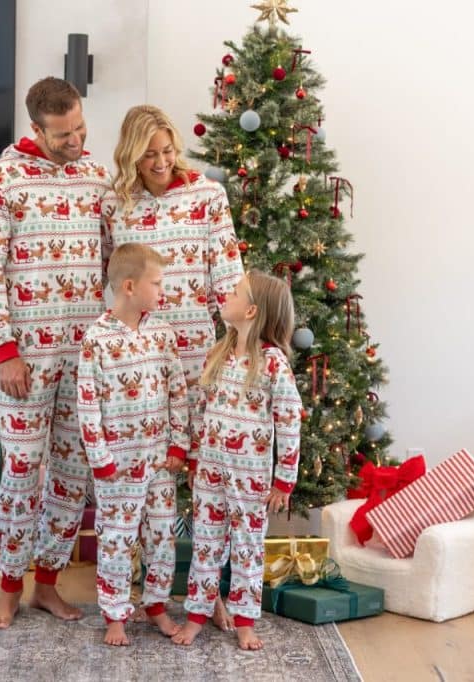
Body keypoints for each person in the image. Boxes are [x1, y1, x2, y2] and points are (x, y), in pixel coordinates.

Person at [101, 104, 244, 630]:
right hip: (138, 364)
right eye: (149, 154)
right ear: (131, 156)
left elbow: (230, 279)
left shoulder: (208, 197)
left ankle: (211, 595)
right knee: (148, 481)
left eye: (167, 150)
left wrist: (234, 351)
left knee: (207, 480)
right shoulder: (118, 206)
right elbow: (111, 286)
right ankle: (145, 597)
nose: (161, 162)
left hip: (199, 359)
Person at [0, 77, 108, 629]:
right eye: (62, 135)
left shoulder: (99, 176)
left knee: (73, 475)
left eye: (79, 128)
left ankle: (46, 585)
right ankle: (8, 586)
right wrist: (4, 352)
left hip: (87, 356)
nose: (75, 141)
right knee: (23, 471)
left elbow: (117, 256)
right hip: (25, 358)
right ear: (35, 129)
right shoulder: (1, 180)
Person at [171, 270, 303, 651]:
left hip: (251, 479)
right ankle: (197, 616)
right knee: (206, 545)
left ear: (251, 311)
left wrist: (284, 479)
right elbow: (201, 409)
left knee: (247, 548)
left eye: (235, 292)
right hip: (211, 471)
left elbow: (290, 419)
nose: (226, 294)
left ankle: (245, 620)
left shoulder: (273, 363)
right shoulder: (219, 353)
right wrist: (195, 458)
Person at [77, 243, 190, 646]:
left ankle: (156, 605)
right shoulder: (97, 340)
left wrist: (179, 445)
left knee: (162, 535)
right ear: (129, 286)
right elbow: (87, 406)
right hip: (117, 467)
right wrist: (101, 459)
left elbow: (178, 391)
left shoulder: (162, 334)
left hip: (160, 460)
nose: (163, 291)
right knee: (117, 540)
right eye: (157, 283)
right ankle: (115, 615)